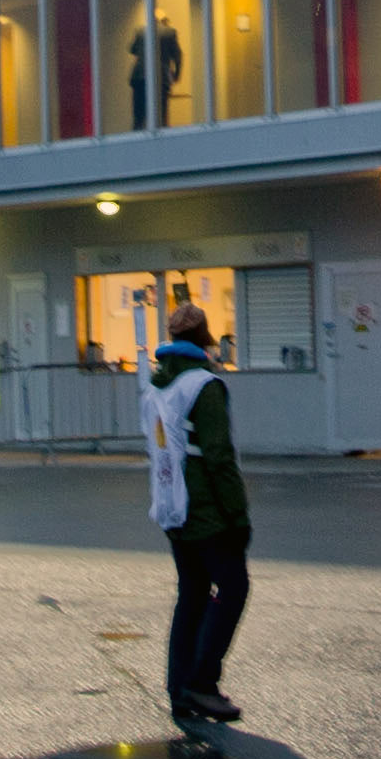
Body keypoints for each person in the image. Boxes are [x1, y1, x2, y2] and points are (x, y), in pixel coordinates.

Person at [146, 301, 250, 723]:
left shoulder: (156, 384)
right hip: (206, 509)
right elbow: (219, 456)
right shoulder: (204, 386)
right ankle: (202, 682)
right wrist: (238, 515)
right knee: (233, 587)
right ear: (204, 340)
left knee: (192, 592)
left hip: (172, 507)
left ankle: (179, 687)